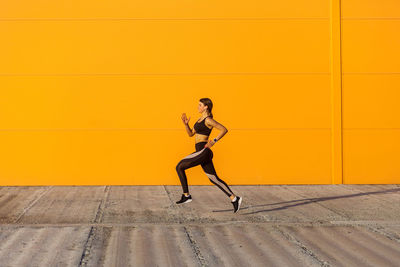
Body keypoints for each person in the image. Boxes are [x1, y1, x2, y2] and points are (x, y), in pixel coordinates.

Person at [175, 98, 242, 213]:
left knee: (179, 166)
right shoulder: (200, 119)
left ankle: (186, 195)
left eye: (200, 105)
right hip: (201, 152)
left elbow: (224, 129)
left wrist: (213, 141)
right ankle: (235, 198)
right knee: (213, 178)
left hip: (203, 150)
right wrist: (186, 124)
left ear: (206, 107)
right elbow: (191, 134)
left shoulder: (208, 120)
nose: (198, 107)